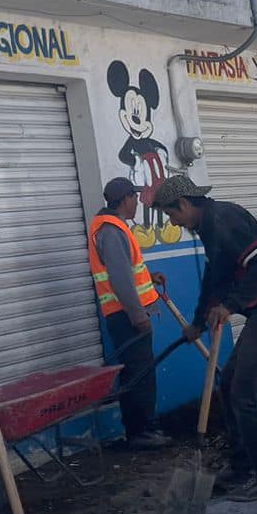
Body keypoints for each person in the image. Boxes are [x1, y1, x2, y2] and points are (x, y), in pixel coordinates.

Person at [152, 173, 257, 501]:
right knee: (229, 383)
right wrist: (198, 324)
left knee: (244, 392)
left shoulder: (224, 218)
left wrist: (232, 305)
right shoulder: (209, 228)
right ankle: (242, 466)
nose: (173, 221)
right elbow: (214, 281)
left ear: (186, 203)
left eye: (172, 214)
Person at [87, 177, 172, 450]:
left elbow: (128, 271)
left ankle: (139, 430)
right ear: (125, 199)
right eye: (134, 197)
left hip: (123, 315)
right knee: (141, 374)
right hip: (127, 317)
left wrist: (150, 275)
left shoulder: (113, 228)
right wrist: (138, 316)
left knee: (134, 373)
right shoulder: (112, 230)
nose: (137, 202)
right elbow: (121, 279)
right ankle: (142, 432)